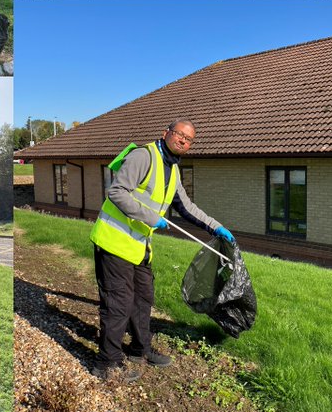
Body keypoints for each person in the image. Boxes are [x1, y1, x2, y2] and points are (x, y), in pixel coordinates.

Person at [89, 120, 236, 382]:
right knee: (118, 304)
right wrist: (149, 216)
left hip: (138, 247)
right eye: (179, 135)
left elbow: (186, 207)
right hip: (113, 241)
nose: (183, 141)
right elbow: (116, 192)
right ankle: (107, 363)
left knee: (143, 299)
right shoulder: (143, 156)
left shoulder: (172, 169)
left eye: (189, 139)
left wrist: (217, 228)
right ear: (165, 133)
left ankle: (140, 349)